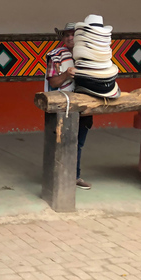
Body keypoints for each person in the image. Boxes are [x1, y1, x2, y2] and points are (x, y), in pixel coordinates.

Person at [45, 22, 93, 190]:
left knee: (78, 143)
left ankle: (75, 176)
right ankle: (58, 177)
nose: (70, 37)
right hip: (63, 106)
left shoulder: (92, 56)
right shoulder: (56, 56)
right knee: (61, 141)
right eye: (66, 35)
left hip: (84, 106)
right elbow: (53, 81)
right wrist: (66, 74)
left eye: (73, 34)